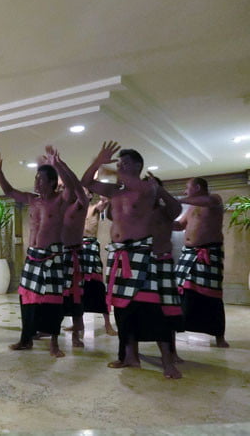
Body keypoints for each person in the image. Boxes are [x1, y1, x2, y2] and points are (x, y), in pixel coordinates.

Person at [81, 141, 181, 379]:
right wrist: (99, 159)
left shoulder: (147, 188)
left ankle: (168, 361)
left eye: (126, 162)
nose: (121, 166)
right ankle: (129, 357)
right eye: (120, 162)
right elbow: (86, 183)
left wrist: (124, 174)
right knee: (123, 310)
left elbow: (175, 211)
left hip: (141, 253)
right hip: (117, 254)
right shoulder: (116, 191)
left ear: (138, 165)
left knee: (152, 308)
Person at [0, 148, 71, 357]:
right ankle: (25, 339)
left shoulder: (59, 200)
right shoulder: (32, 199)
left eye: (41, 178)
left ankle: (54, 342)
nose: (36, 182)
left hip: (52, 256)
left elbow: (73, 188)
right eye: (36, 178)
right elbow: (9, 191)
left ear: (52, 182)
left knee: (53, 301)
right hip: (33, 257)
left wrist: (58, 165)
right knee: (26, 300)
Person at [173, 177, 229, 347]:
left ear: (197, 187)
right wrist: (161, 221)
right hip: (188, 254)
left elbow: (207, 201)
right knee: (182, 293)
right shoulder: (190, 207)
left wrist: (176, 200)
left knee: (211, 295)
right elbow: (179, 225)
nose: (184, 191)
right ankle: (178, 326)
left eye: (187, 187)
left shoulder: (214, 200)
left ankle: (219, 336)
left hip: (208, 253)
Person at [147, 174, 184, 360]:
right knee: (142, 307)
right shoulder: (138, 210)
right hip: (143, 263)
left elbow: (177, 208)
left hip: (163, 261)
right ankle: (130, 352)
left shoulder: (166, 210)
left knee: (168, 309)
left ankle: (172, 351)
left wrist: (160, 188)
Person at [54, 155, 89, 348]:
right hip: (59, 254)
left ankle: (76, 336)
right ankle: (50, 329)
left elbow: (74, 185)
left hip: (74, 255)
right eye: (59, 188)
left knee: (75, 297)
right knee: (57, 295)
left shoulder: (80, 205)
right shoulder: (60, 207)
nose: (62, 190)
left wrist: (61, 165)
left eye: (63, 187)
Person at [75, 193, 117, 335]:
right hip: (78, 248)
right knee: (77, 288)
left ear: (90, 195)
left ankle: (107, 324)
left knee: (98, 287)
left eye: (85, 191)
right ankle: (78, 323)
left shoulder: (94, 208)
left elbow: (106, 200)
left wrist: (102, 191)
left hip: (91, 248)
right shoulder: (75, 210)